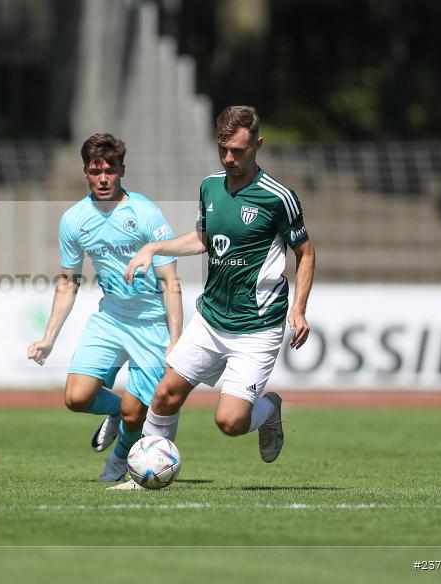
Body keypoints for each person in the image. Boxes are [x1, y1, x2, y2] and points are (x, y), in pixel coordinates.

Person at [125, 106, 315, 483]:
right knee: (164, 396)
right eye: (223, 149)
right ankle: (142, 475)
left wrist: (299, 310)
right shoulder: (210, 186)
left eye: (238, 151)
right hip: (212, 318)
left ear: (257, 145)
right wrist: (153, 248)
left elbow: (305, 253)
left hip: (257, 327)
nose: (229, 158)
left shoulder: (278, 197)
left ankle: (270, 409)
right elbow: (203, 239)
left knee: (229, 422)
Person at [27, 133, 182, 482]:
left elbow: (171, 281)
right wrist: (49, 337)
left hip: (151, 324)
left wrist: (175, 338)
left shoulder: (144, 213)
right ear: (85, 172)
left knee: (134, 413)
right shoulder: (74, 219)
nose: (103, 178)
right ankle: (114, 414)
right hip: (110, 318)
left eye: (110, 170)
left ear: (121, 171)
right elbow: (69, 281)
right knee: (77, 397)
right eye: (96, 171)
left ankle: (119, 459)